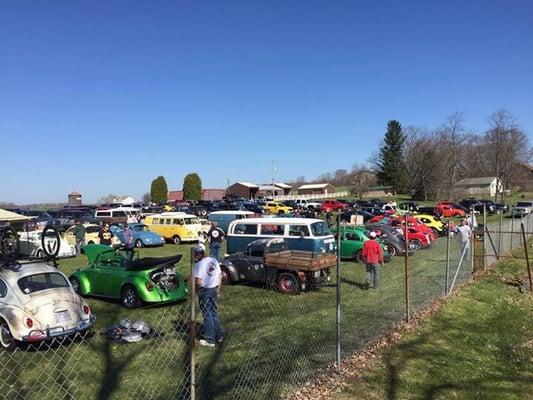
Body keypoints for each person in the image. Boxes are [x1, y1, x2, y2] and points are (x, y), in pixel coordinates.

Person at [193, 246, 223, 347]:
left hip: (204, 291)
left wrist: (196, 292)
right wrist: (218, 289)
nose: (194, 258)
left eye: (195, 256)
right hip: (214, 289)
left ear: (197, 255)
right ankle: (219, 336)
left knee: (207, 314)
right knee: (214, 312)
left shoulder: (198, 265)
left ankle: (210, 340)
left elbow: (199, 282)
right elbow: (219, 275)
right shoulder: (213, 260)